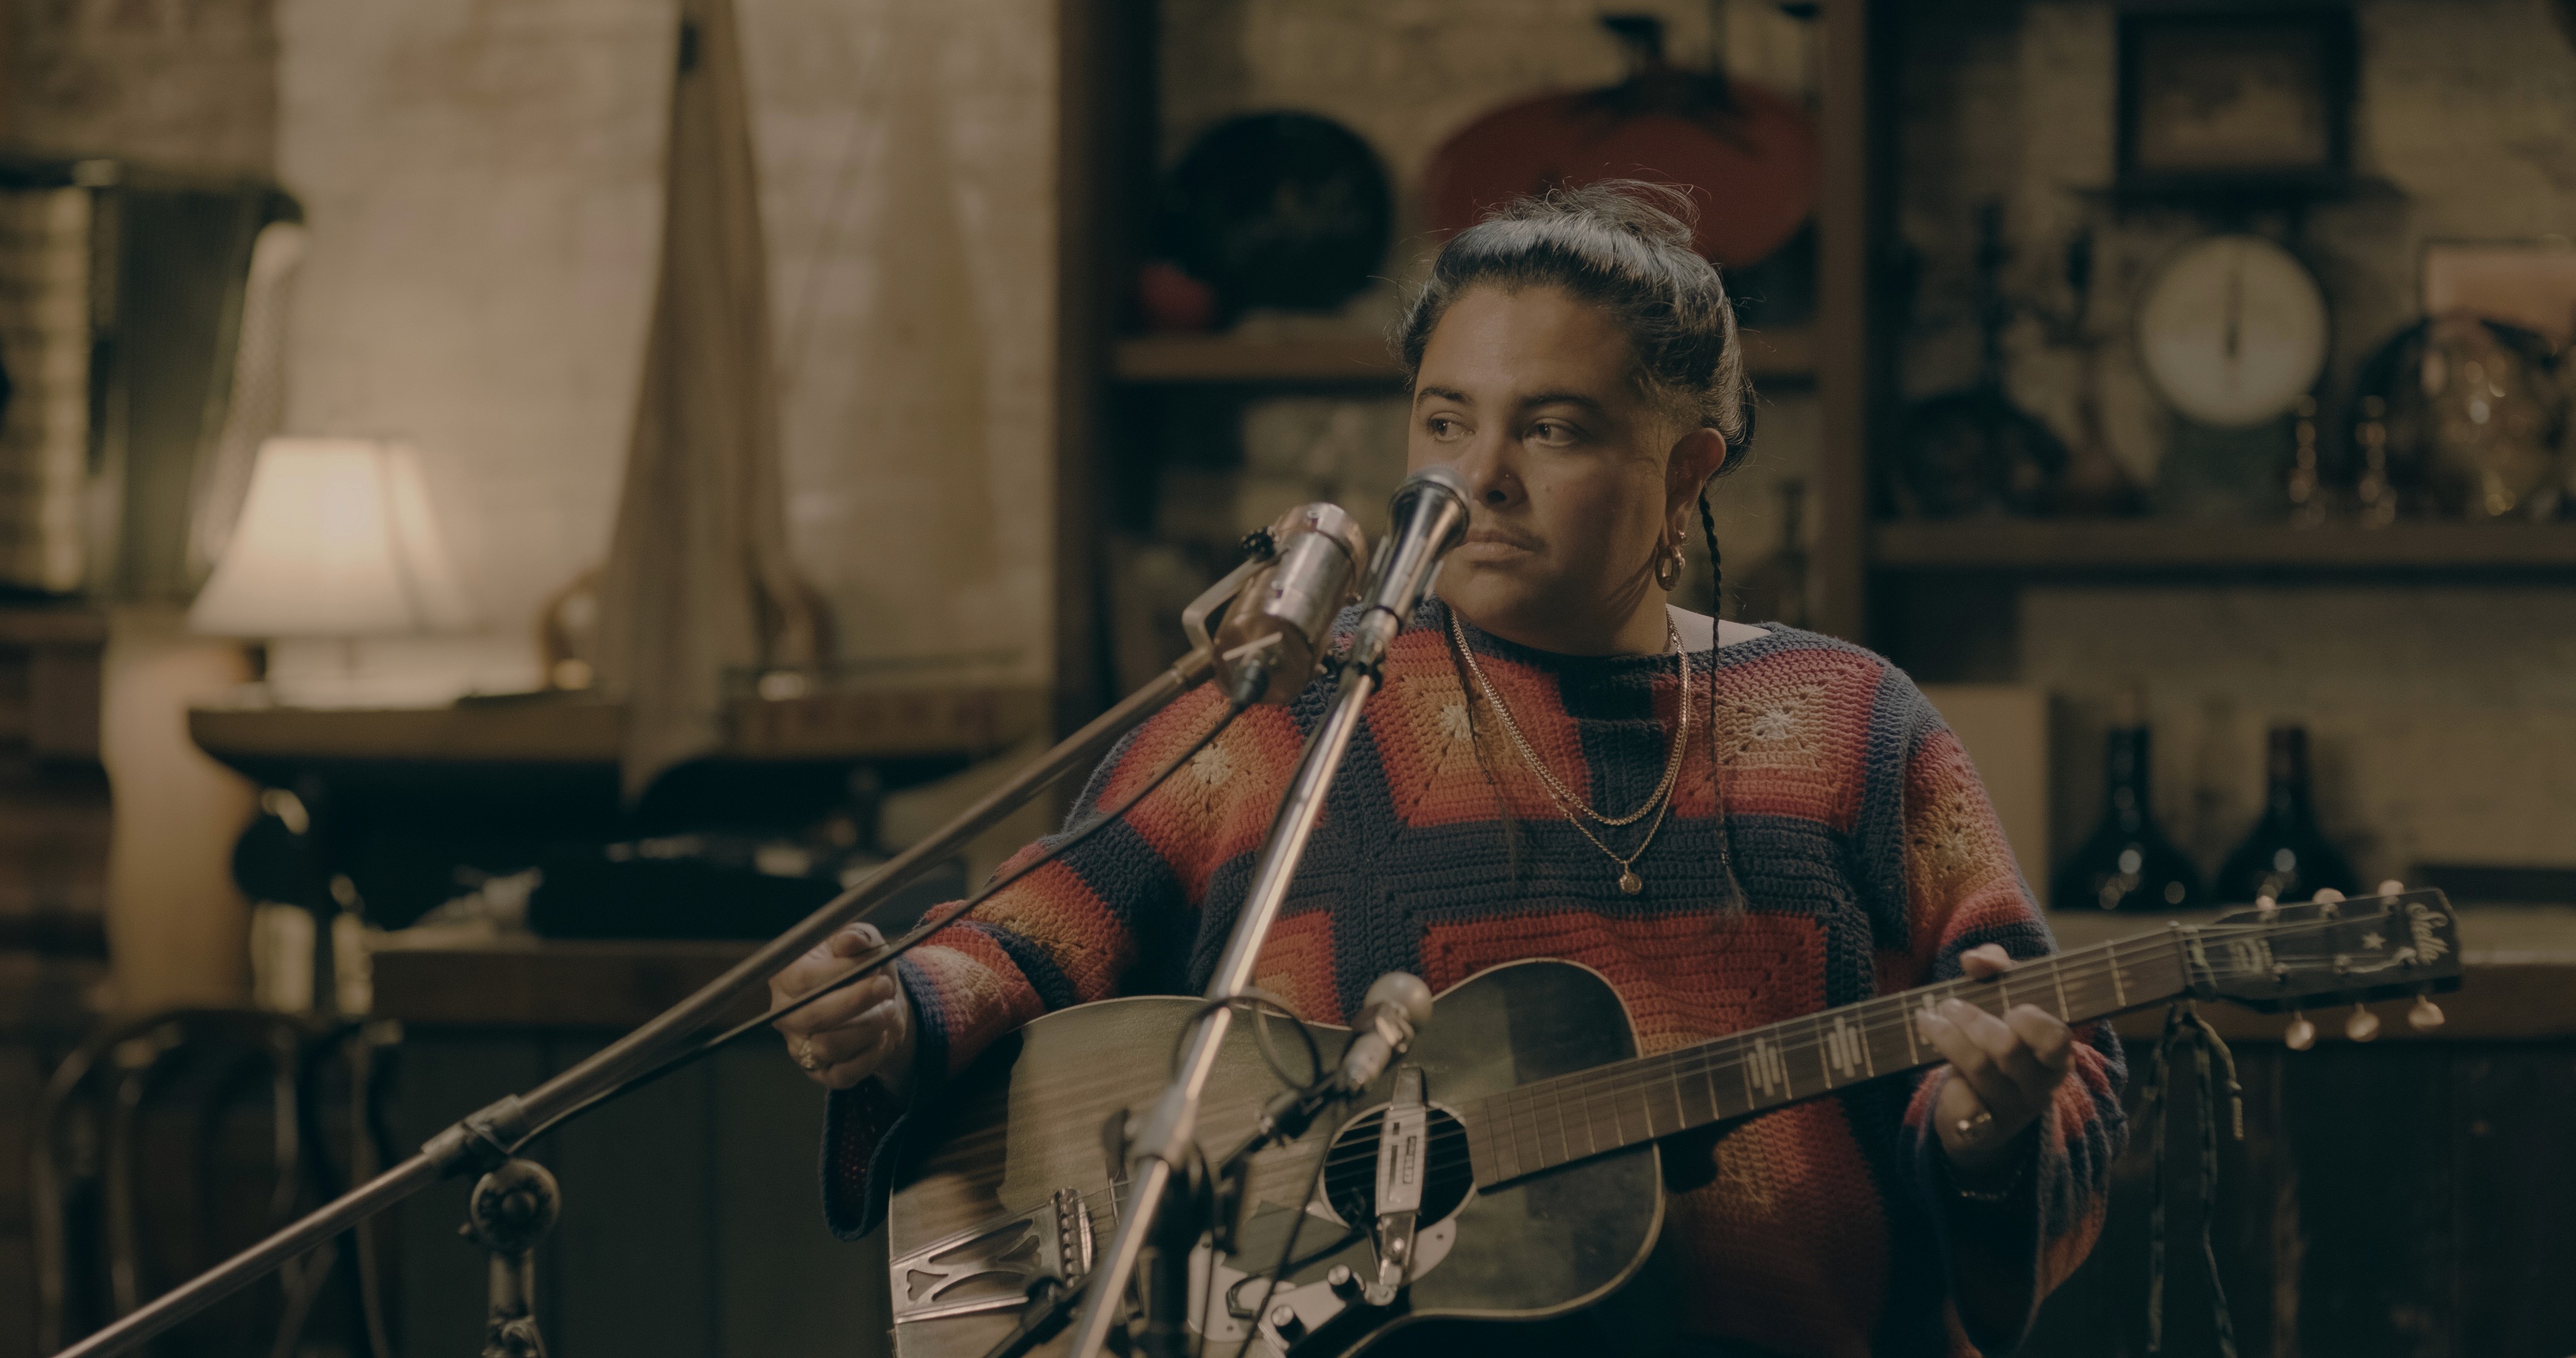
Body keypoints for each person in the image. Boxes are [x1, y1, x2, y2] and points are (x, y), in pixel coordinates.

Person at [770, 182, 2124, 1357]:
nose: (1476, 479)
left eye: (1553, 429)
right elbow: (1035, 932)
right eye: (1441, 421)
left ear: (1688, 470)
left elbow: (2023, 1058)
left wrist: (1987, 1127)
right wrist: (895, 1011)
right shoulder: (1300, 711)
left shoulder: (1849, 721)